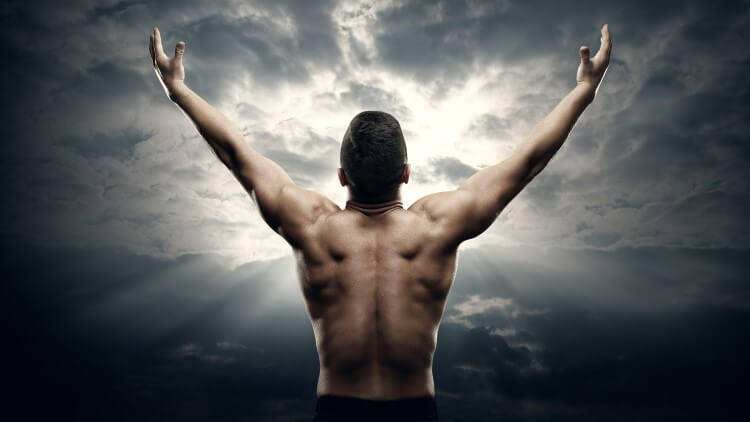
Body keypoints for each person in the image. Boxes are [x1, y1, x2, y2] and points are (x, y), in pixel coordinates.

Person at [149, 23, 611, 422]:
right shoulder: (437, 225)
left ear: (341, 176)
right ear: (406, 174)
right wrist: (584, 91)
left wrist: (179, 91)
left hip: (337, 410)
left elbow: (236, 155)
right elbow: (528, 161)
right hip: (415, 410)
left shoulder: (310, 225)